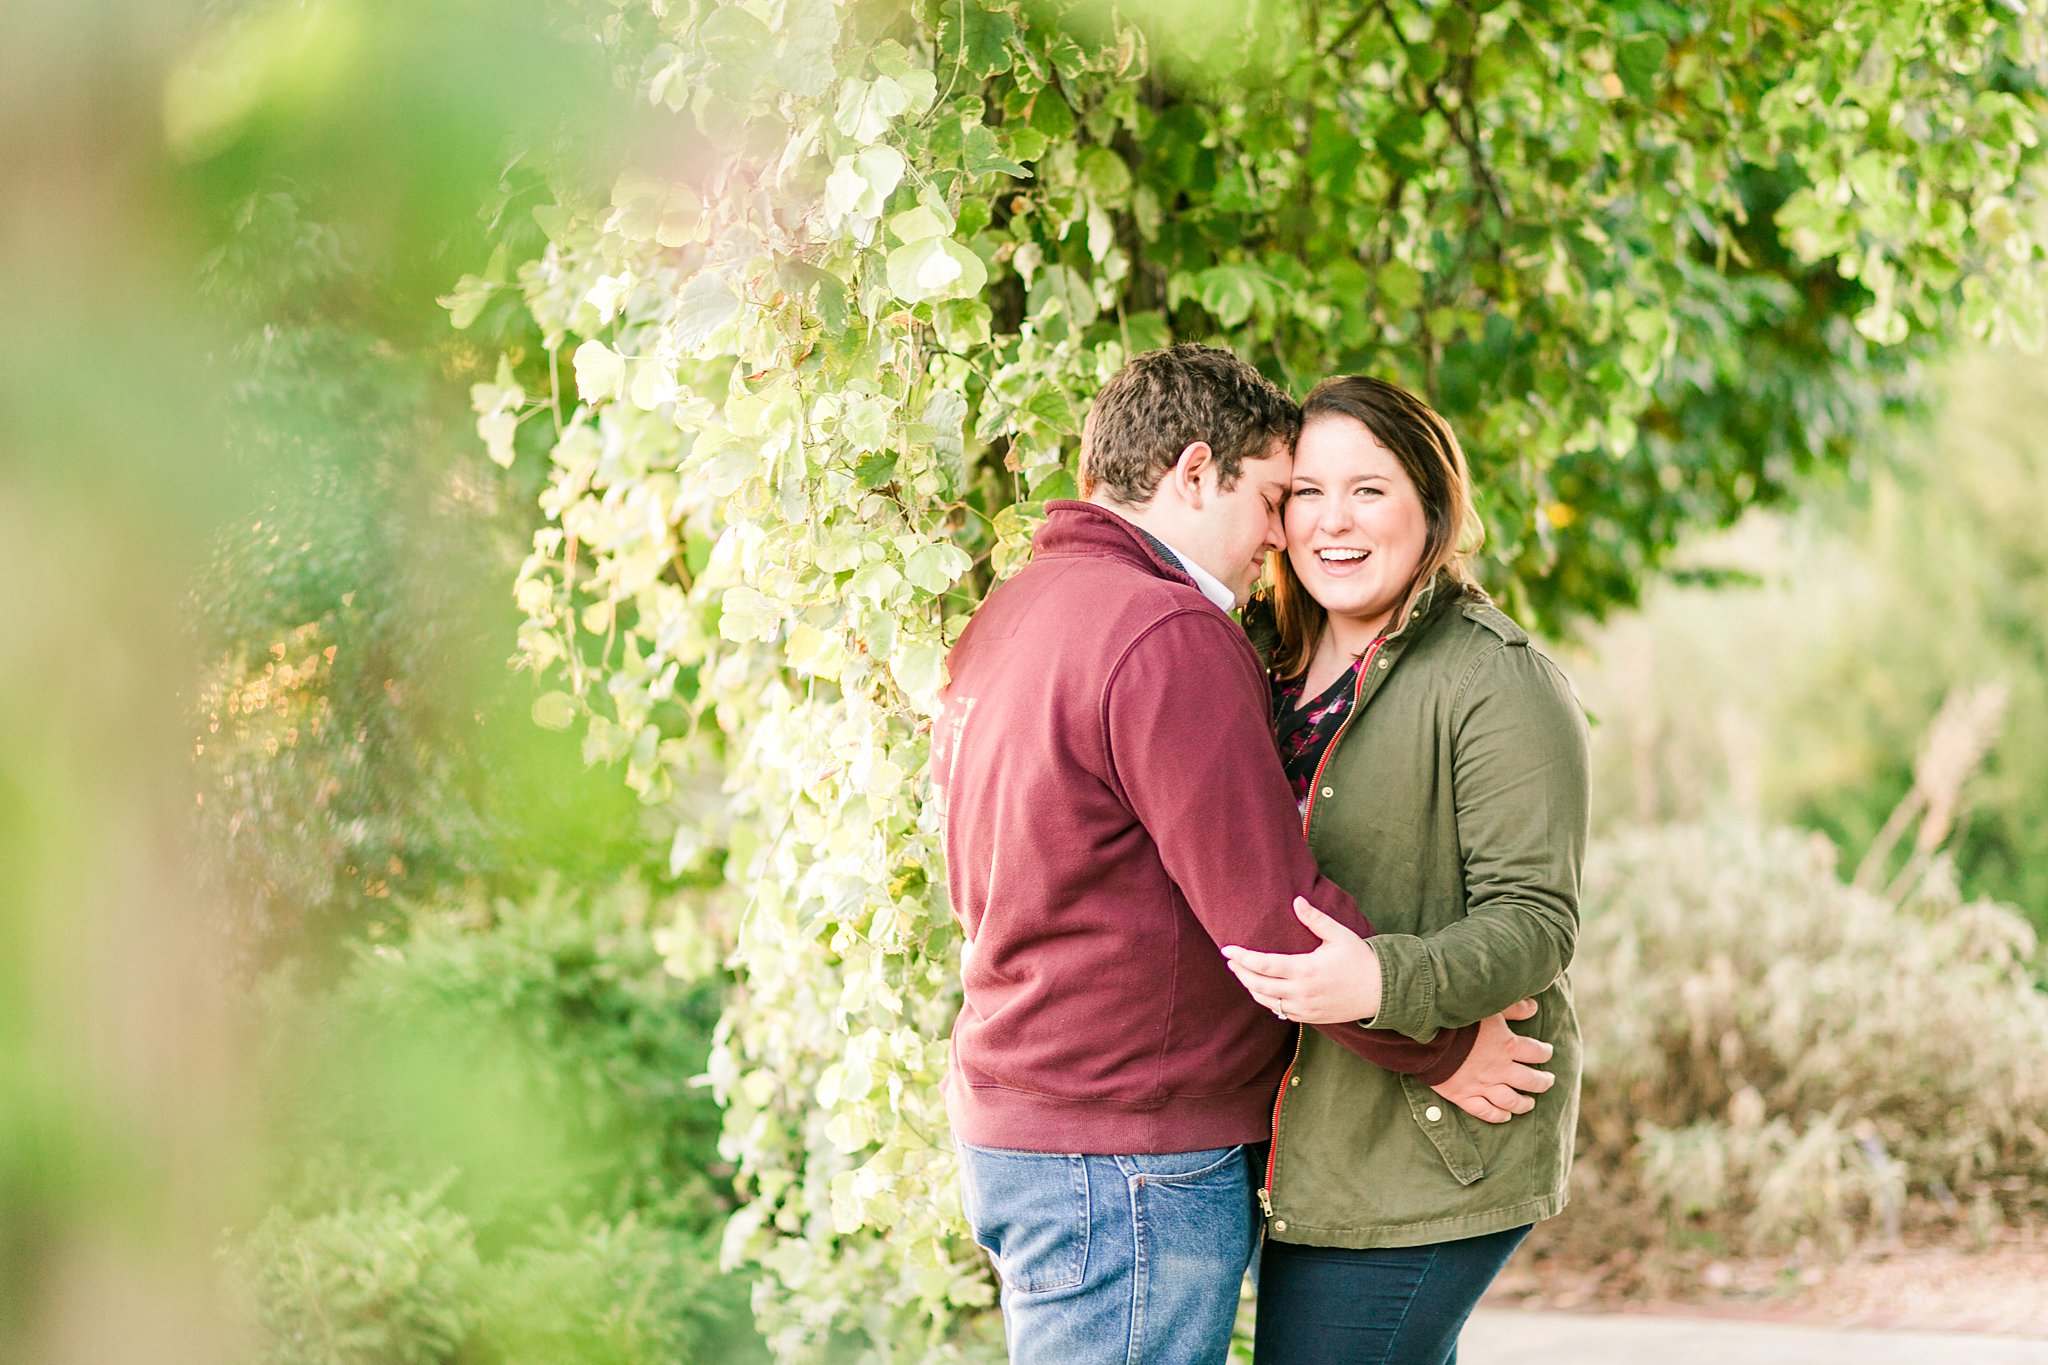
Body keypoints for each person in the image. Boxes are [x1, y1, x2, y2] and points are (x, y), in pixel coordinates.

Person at [932, 346, 1554, 1365]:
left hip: (1031, 1122)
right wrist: (1443, 1049)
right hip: (1124, 1143)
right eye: (1275, 494)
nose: (1281, 532)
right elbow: (1273, 926)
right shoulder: (1161, 628)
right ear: (1189, 472)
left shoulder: (1019, 609)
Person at [1221, 375, 1591, 1365]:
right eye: (1305, 493)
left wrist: (1384, 981)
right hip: (1288, 1141)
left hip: (1424, 1148)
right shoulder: (1253, 660)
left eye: (1368, 491)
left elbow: (1534, 921)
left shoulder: (1493, 677)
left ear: (1432, 507)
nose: (1331, 522)